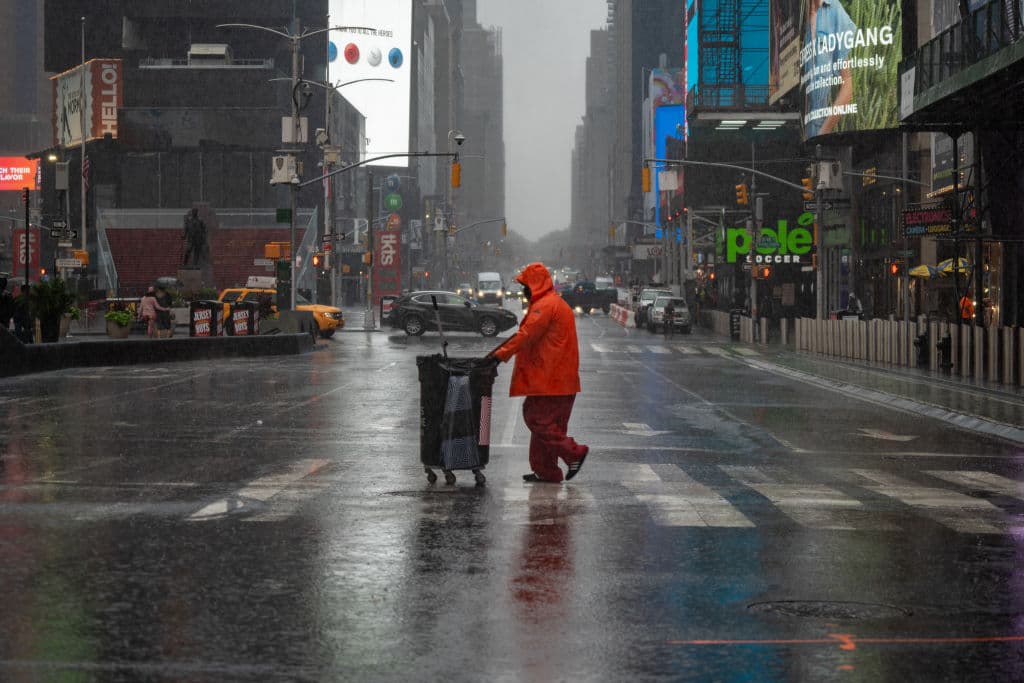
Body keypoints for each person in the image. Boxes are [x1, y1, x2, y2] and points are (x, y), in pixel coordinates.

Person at [489, 262, 588, 483]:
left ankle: (574, 453)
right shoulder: (555, 303)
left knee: (536, 418)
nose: (522, 290)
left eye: (525, 285)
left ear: (534, 284)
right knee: (549, 424)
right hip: (561, 380)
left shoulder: (545, 306)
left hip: (551, 380)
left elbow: (526, 335)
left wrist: (499, 356)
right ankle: (547, 471)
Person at [803, 0, 855, 138]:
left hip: (823, 131)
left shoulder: (834, 10)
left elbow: (847, 85)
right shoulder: (800, 18)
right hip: (806, 133)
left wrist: (824, 131)